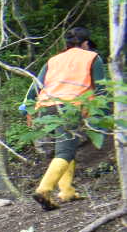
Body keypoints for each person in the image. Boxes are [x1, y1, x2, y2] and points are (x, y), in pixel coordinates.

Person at [22, 25, 105, 209]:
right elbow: (101, 89)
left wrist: (28, 108)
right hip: (70, 108)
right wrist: (102, 116)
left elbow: (36, 85)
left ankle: (66, 190)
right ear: (85, 43)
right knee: (65, 152)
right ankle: (44, 189)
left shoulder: (54, 60)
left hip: (45, 107)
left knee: (66, 147)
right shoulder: (92, 57)